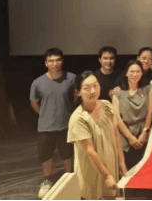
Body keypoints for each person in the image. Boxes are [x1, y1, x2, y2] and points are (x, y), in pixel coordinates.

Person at [68, 71, 127, 200]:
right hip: (92, 170)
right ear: (78, 92)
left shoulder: (107, 105)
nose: (93, 91)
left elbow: (116, 134)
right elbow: (90, 151)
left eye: (95, 85)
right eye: (87, 88)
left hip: (110, 164)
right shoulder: (78, 118)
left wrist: (122, 163)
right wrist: (106, 176)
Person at [29, 48, 76, 199]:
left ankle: (69, 180)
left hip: (65, 126)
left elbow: (75, 98)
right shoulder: (38, 82)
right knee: (46, 156)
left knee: (67, 155)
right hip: (45, 127)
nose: (54, 63)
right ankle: (47, 180)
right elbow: (34, 102)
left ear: (62, 61)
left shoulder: (71, 78)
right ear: (46, 63)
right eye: (51, 61)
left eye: (57, 60)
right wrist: (45, 114)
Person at [113, 60, 152, 170]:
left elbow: (150, 112)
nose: (135, 74)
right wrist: (130, 137)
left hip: (143, 136)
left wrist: (145, 132)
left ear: (142, 73)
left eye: (138, 71)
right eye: (132, 71)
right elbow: (117, 119)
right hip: (125, 136)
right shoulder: (118, 94)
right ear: (126, 73)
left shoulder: (148, 89)